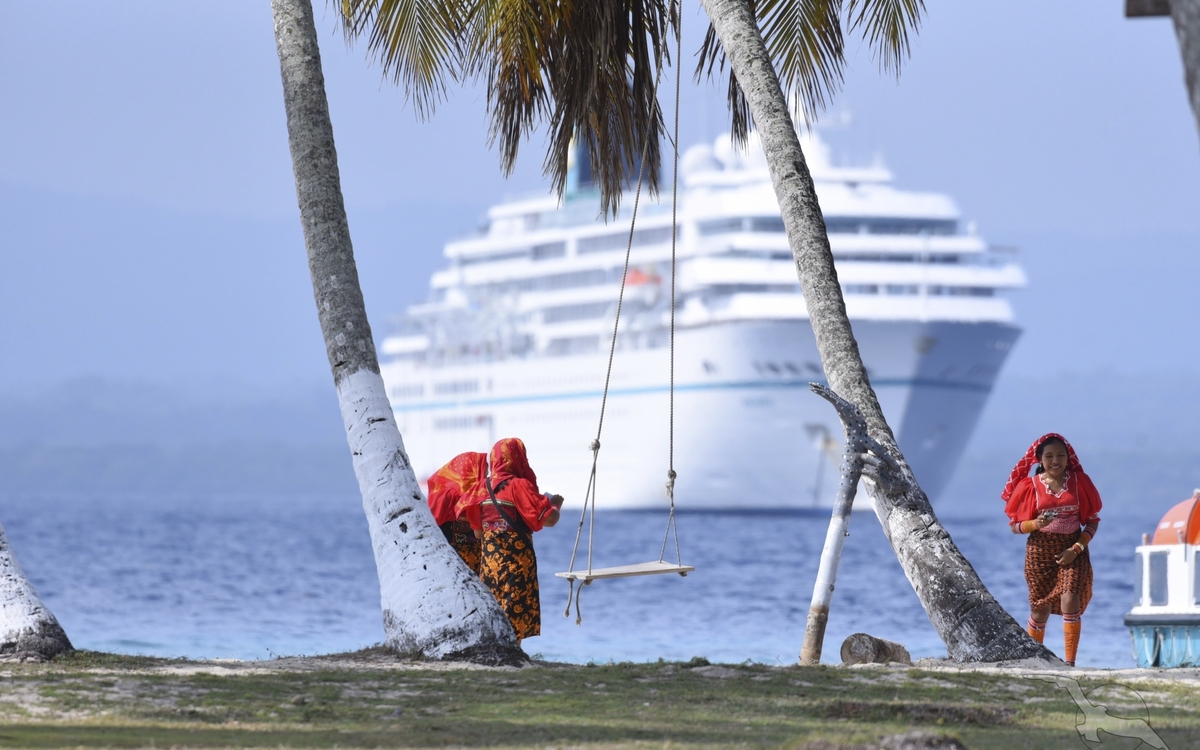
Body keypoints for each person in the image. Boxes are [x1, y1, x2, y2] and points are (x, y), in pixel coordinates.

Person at [1001, 433, 1102, 666]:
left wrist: (1075, 549)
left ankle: (1070, 663)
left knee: (1070, 599)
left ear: (1068, 458)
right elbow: (1015, 527)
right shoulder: (1029, 487)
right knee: (1039, 611)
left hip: (1073, 550)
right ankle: (1034, 660)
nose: (1055, 461)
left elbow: (1093, 520)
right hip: (1039, 552)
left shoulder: (1080, 483)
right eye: (1049, 456)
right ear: (1039, 460)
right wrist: (1036, 524)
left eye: (1060, 455)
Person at [478, 437, 563, 643]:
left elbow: (478, 533)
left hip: (489, 564)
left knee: (492, 610)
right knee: (514, 612)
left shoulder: (482, 487)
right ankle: (512, 657)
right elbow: (548, 519)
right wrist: (555, 506)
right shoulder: (519, 486)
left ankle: (494, 654)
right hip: (515, 563)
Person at [426, 452, 488, 573]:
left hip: (477, 565)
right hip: (453, 566)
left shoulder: (476, 494)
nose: (485, 475)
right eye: (483, 469)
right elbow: (430, 529)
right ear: (469, 472)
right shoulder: (445, 497)